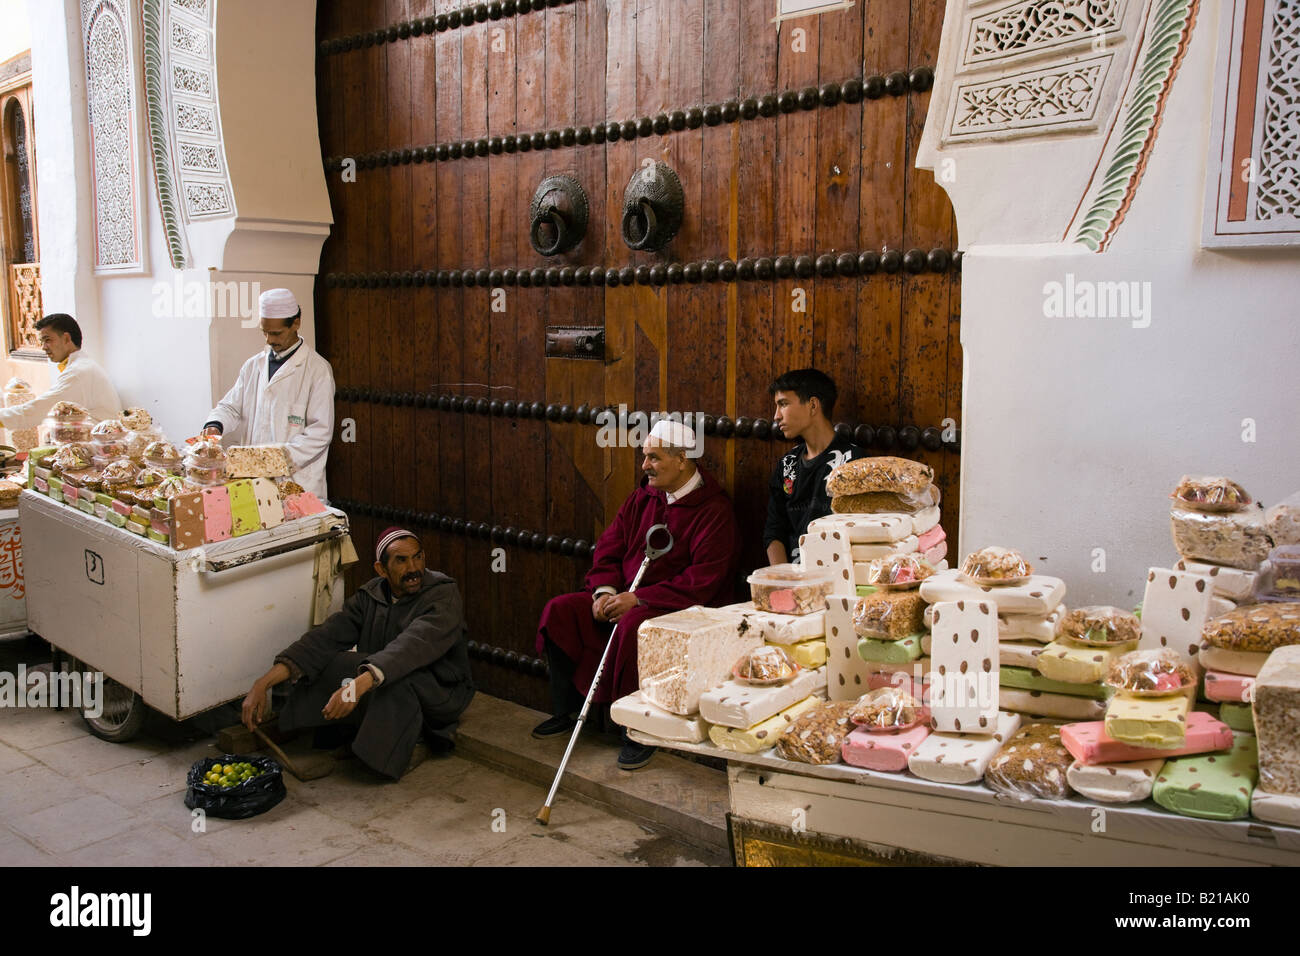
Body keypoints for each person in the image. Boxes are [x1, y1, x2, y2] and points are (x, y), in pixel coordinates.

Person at [533, 419, 741, 770]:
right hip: (622, 596)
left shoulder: (715, 512)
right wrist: (604, 591)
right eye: (644, 456)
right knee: (561, 610)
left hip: (674, 607)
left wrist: (640, 599)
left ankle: (636, 729)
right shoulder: (643, 496)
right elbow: (610, 547)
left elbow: (703, 580)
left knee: (633, 625)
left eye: (654, 458)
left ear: (682, 459)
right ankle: (569, 710)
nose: (644, 466)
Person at [241, 527, 473, 780]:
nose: (413, 568)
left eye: (418, 557)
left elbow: (411, 647)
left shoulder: (443, 594)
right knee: (334, 662)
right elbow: (325, 639)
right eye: (401, 561)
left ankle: (409, 743)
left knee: (393, 678)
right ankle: (336, 733)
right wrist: (262, 683)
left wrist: (357, 686)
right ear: (381, 570)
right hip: (382, 672)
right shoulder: (370, 595)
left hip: (439, 689)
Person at [201, 288, 335, 500]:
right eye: (264, 332)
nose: (269, 340)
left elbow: (320, 433)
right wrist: (215, 425)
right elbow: (230, 407)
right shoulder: (253, 366)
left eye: (276, 333)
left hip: (296, 484)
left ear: (296, 324)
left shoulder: (317, 370)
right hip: (254, 482)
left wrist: (272, 460)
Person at [763, 368, 867, 565]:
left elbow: (860, 535)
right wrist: (783, 579)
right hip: (792, 577)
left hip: (838, 577)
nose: (776, 416)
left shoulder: (853, 461)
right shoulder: (788, 463)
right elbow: (774, 529)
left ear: (812, 405)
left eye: (783, 404)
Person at [0, 314, 122, 429]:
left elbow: (39, 410)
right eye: (42, 342)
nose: (43, 347)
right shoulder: (81, 366)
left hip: (101, 445)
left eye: (47, 340)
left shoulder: (78, 372)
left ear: (66, 338)